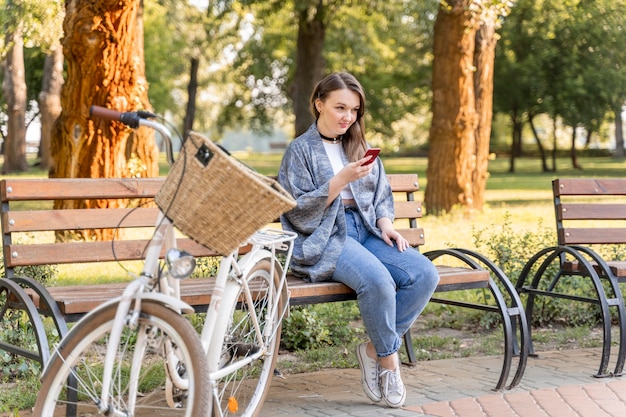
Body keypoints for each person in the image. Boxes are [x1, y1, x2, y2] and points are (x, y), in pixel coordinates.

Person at [277, 72, 440, 408]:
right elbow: (295, 209)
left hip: (368, 231)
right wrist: (339, 181)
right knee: (378, 282)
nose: (346, 117)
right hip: (327, 235)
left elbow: (381, 194)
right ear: (319, 104)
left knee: (425, 274)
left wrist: (386, 224)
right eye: (339, 107)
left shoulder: (359, 146)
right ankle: (390, 363)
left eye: (353, 110)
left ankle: (372, 349)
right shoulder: (300, 150)